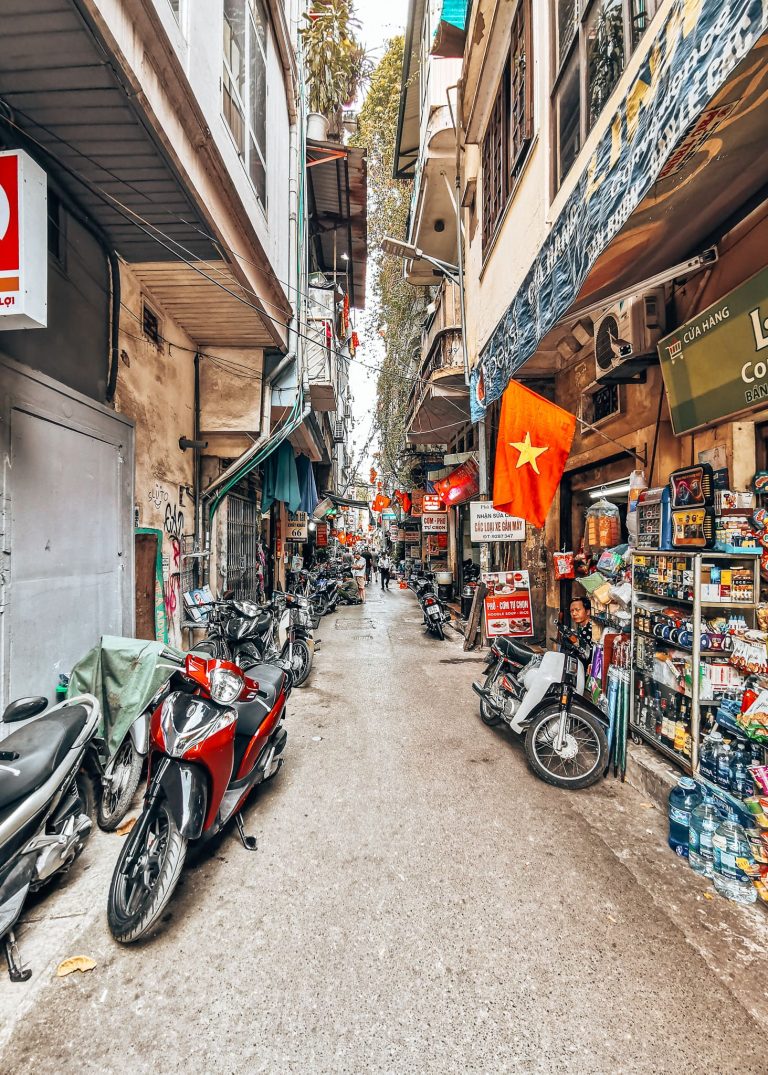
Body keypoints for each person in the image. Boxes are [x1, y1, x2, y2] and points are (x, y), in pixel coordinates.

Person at [569, 596, 594, 664]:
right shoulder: (581, 628)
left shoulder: (591, 630)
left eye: (577, 610)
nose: (574, 613)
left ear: (588, 611)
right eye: (572, 611)